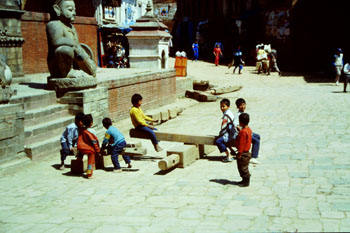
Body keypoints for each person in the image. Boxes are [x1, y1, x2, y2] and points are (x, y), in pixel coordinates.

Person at [46, 0, 96, 78]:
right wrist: (75, 45)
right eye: (70, 10)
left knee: (81, 52)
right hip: (58, 64)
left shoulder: (71, 27)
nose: (74, 13)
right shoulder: (54, 24)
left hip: (74, 60)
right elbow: (56, 41)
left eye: (74, 10)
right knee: (65, 50)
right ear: (57, 9)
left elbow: (77, 44)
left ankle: (79, 69)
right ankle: (66, 73)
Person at [234, 98, 261, 164]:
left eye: (244, 104)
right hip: (241, 134)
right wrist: (245, 133)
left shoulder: (243, 113)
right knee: (256, 141)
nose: (243, 106)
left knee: (258, 136)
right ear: (237, 107)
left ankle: (255, 152)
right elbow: (236, 125)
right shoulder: (237, 115)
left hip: (246, 131)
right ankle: (253, 157)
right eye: (241, 105)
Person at [77, 114, 101, 178]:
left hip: (81, 147)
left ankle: (77, 169)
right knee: (90, 161)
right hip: (89, 149)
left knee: (80, 157)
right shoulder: (92, 131)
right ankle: (89, 174)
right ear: (91, 123)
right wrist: (98, 150)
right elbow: (94, 142)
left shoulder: (81, 130)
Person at [235, 113, 252, 187]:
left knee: (242, 168)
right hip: (247, 152)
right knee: (244, 167)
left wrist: (239, 153)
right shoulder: (249, 129)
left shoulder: (243, 132)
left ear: (241, 122)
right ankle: (244, 180)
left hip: (243, 154)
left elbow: (242, 144)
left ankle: (246, 182)